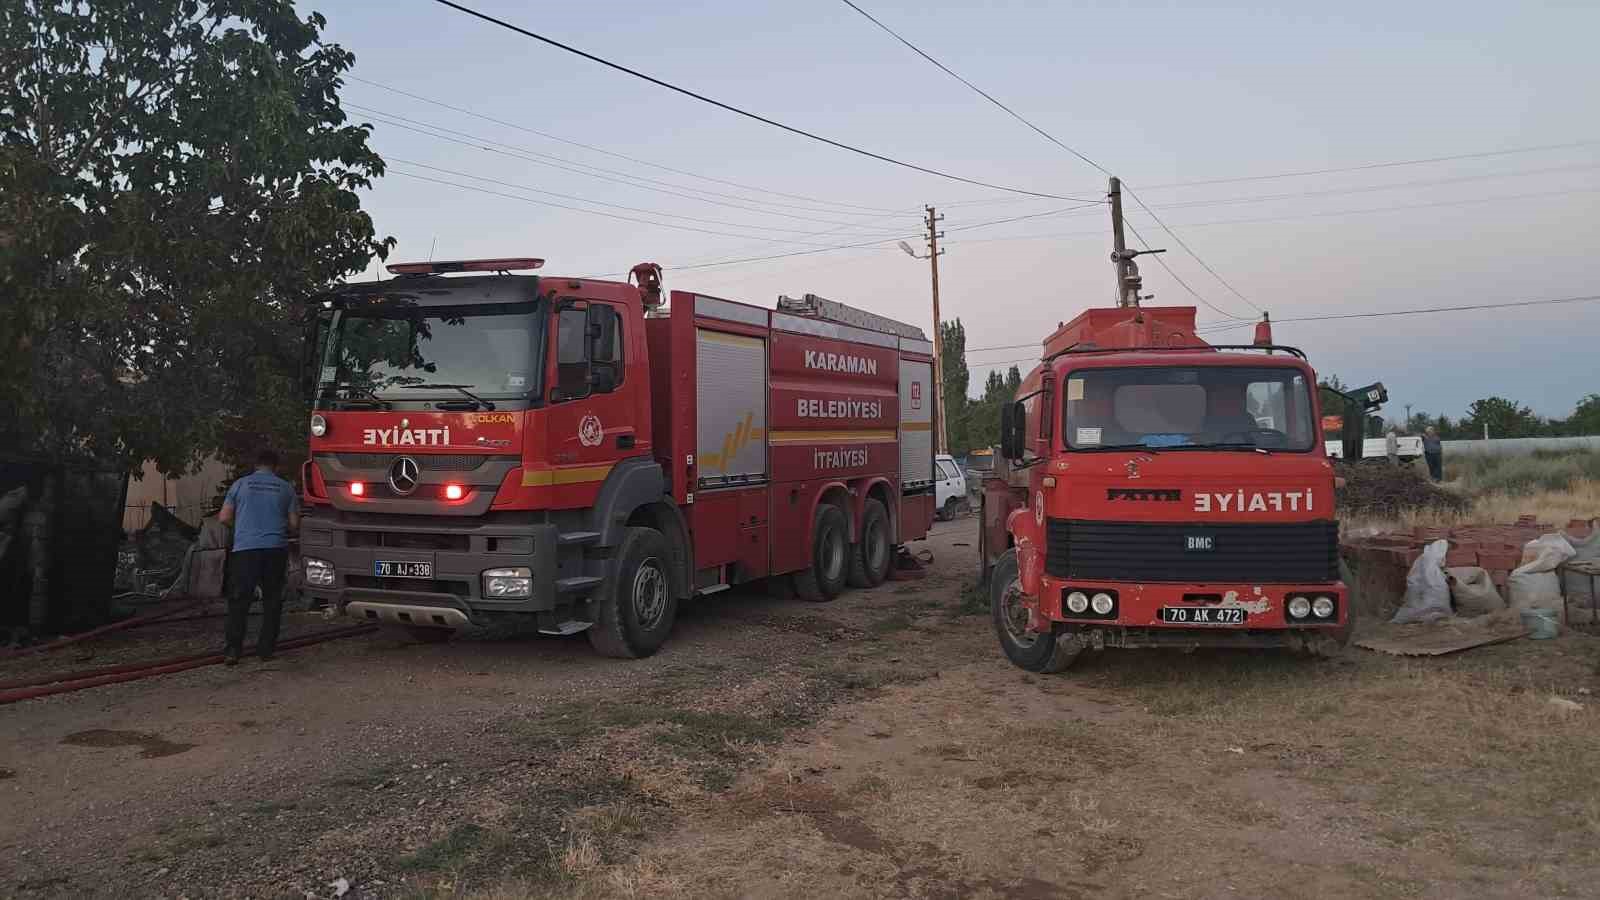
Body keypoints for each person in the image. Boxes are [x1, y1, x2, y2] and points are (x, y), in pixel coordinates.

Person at [218, 448, 299, 664]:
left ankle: (233, 651)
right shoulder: (285, 488)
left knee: (239, 600)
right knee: (273, 600)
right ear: (276, 467)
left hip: (245, 549)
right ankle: (266, 650)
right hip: (275, 548)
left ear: (256, 465)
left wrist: (241, 528)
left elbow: (224, 517)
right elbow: (294, 525)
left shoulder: (240, 485)